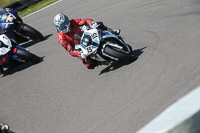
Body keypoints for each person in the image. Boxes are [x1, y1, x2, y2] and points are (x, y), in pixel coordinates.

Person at [53, 13, 120, 69]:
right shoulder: (61, 37)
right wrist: (79, 53)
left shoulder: (73, 21)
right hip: (78, 46)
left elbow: (84, 21)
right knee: (89, 65)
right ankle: (100, 61)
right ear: (57, 27)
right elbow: (69, 49)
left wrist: (91, 23)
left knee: (98, 24)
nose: (64, 26)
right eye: (61, 26)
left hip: (84, 34)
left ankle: (110, 31)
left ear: (67, 20)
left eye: (64, 23)